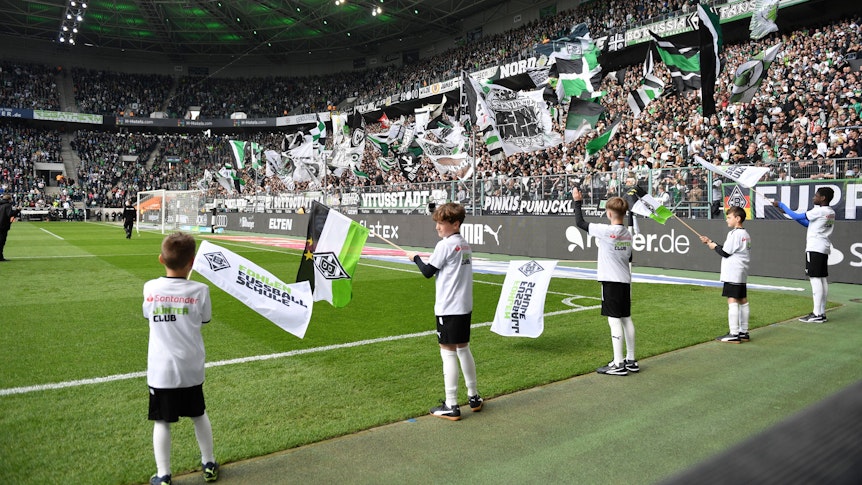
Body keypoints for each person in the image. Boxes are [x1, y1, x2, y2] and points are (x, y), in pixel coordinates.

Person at [143, 233, 218, 484]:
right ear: (192, 262)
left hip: (162, 369)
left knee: (162, 421)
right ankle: (209, 462)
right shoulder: (201, 290)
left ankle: (163, 474)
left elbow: (148, 315)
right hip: (191, 368)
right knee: (199, 415)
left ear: (160, 259)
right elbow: (204, 319)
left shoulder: (150, 287)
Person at [406, 202, 482, 420]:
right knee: (463, 349)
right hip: (464, 306)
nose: (438, 227)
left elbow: (428, 271)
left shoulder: (446, 245)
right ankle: (473, 396)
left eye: (442, 223)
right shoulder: (464, 244)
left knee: (448, 351)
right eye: (437, 223)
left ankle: (451, 404)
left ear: (455, 224)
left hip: (448, 307)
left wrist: (416, 259)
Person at [571, 186, 638, 376]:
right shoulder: (627, 234)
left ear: (609, 213)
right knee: (626, 318)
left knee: (614, 320)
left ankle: (618, 363)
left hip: (611, 280)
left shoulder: (605, 231)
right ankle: (631, 359)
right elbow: (630, 257)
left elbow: (580, 222)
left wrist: (577, 201)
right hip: (625, 281)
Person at [771, 187, 835, 323]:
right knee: (822, 279)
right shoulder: (830, 211)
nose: (814, 198)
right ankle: (821, 312)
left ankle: (817, 314)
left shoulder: (819, 210)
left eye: (816, 196)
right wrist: (787, 213)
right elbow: (807, 223)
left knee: (815, 279)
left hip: (815, 247)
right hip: (823, 247)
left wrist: (782, 205)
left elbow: (798, 216)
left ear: (823, 198)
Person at [699, 206, 752, 343]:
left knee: (732, 299)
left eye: (729, 217)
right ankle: (743, 332)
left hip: (733, 271)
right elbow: (728, 249)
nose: (727, 220)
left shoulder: (735, 234)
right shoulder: (745, 234)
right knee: (742, 300)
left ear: (738, 218)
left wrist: (713, 246)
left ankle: (734, 333)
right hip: (741, 271)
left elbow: (725, 252)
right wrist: (711, 242)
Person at [0, 194, 14, 261]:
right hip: (3, 226)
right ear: (9, 199)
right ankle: (0, 257)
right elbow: (10, 214)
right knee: (2, 242)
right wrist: (17, 210)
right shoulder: (8, 205)